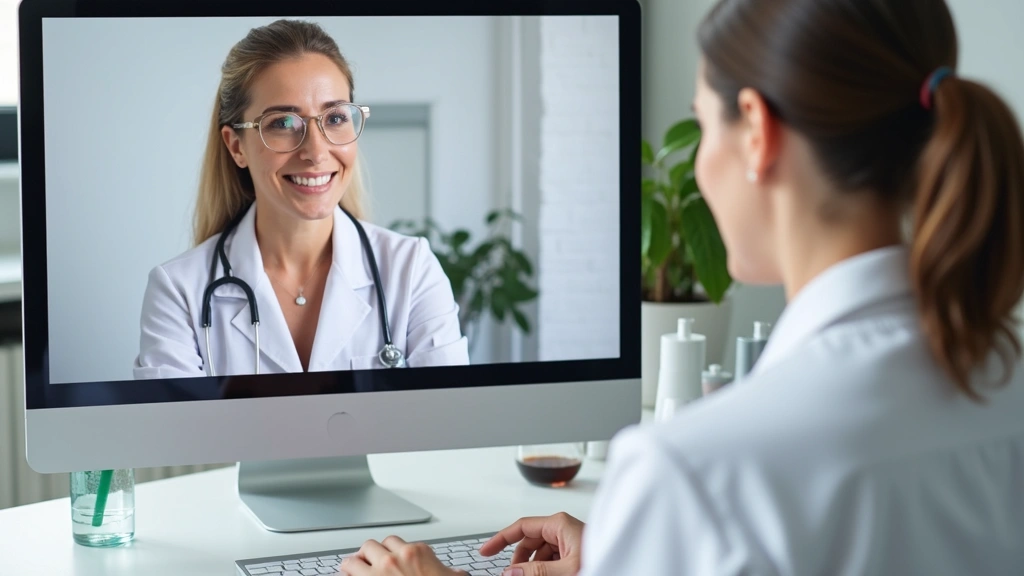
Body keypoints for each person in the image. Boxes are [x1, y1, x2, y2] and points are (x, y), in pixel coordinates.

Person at [339, 0, 1024, 574]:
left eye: (702, 126)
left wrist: (665, 522)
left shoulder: (700, 470)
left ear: (756, 131)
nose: (698, 167)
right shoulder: (1006, 383)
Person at [133, 20, 469, 379]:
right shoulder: (179, 291)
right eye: (282, 123)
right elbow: (177, 435)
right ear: (236, 147)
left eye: (335, 117)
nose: (316, 151)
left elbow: (450, 428)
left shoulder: (412, 271)